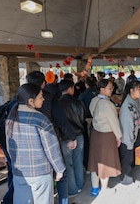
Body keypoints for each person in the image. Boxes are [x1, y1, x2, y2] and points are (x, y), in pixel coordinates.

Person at [5, 83, 65, 204]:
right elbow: (51, 148)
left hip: (19, 172)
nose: (43, 99)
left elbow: (9, 147)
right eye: (40, 96)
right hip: (40, 171)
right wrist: (59, 169)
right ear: (31, 101)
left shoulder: (11, 117)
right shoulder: (40, 119)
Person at [26, 71, 77, 204]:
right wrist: (71, 136)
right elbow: (61, 120)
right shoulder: (49, 98)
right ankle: (63, 201)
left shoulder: (20, 99)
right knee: (61, 173)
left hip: (27, 144)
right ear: (44, 83)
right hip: (50, 140)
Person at [88, 79, 122, 197]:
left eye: (112, 88)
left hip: (95, 133)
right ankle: (104, 189)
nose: (111, 90)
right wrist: (118, 136)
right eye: (109, 88)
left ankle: (94, 188)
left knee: (94, 161)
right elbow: (114, 122)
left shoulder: (94, 100)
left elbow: (92, 113)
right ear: (102, 89)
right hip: (106, 135)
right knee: (105, 163)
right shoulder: (108, 104)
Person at [58, 80, 86, 197]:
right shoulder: (79, 102)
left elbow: (59, 122)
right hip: (79, 135)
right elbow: (83, 119)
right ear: (70, 88)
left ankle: (72, 190)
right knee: (78, 161)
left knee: (68, 164)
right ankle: (79, 185)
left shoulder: (58, 104)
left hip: (66, 138)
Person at [119, 80, 140, 186]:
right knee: (127, 160)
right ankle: (126, 181)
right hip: (127, 137)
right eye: (139, 89)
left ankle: (127, 179)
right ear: (131, 90)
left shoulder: (134, 101)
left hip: (132, 135)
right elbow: (127, 126)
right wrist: (129, 142)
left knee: (129, 159)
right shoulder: (127, 106)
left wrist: (138, 121)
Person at [78, 77, 97, 170]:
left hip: (88, 119)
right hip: (99, 119)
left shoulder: (83, 95)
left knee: (89, 142)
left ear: (86, 84)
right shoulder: (98, 93)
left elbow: (79, 106)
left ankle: (90, 165)